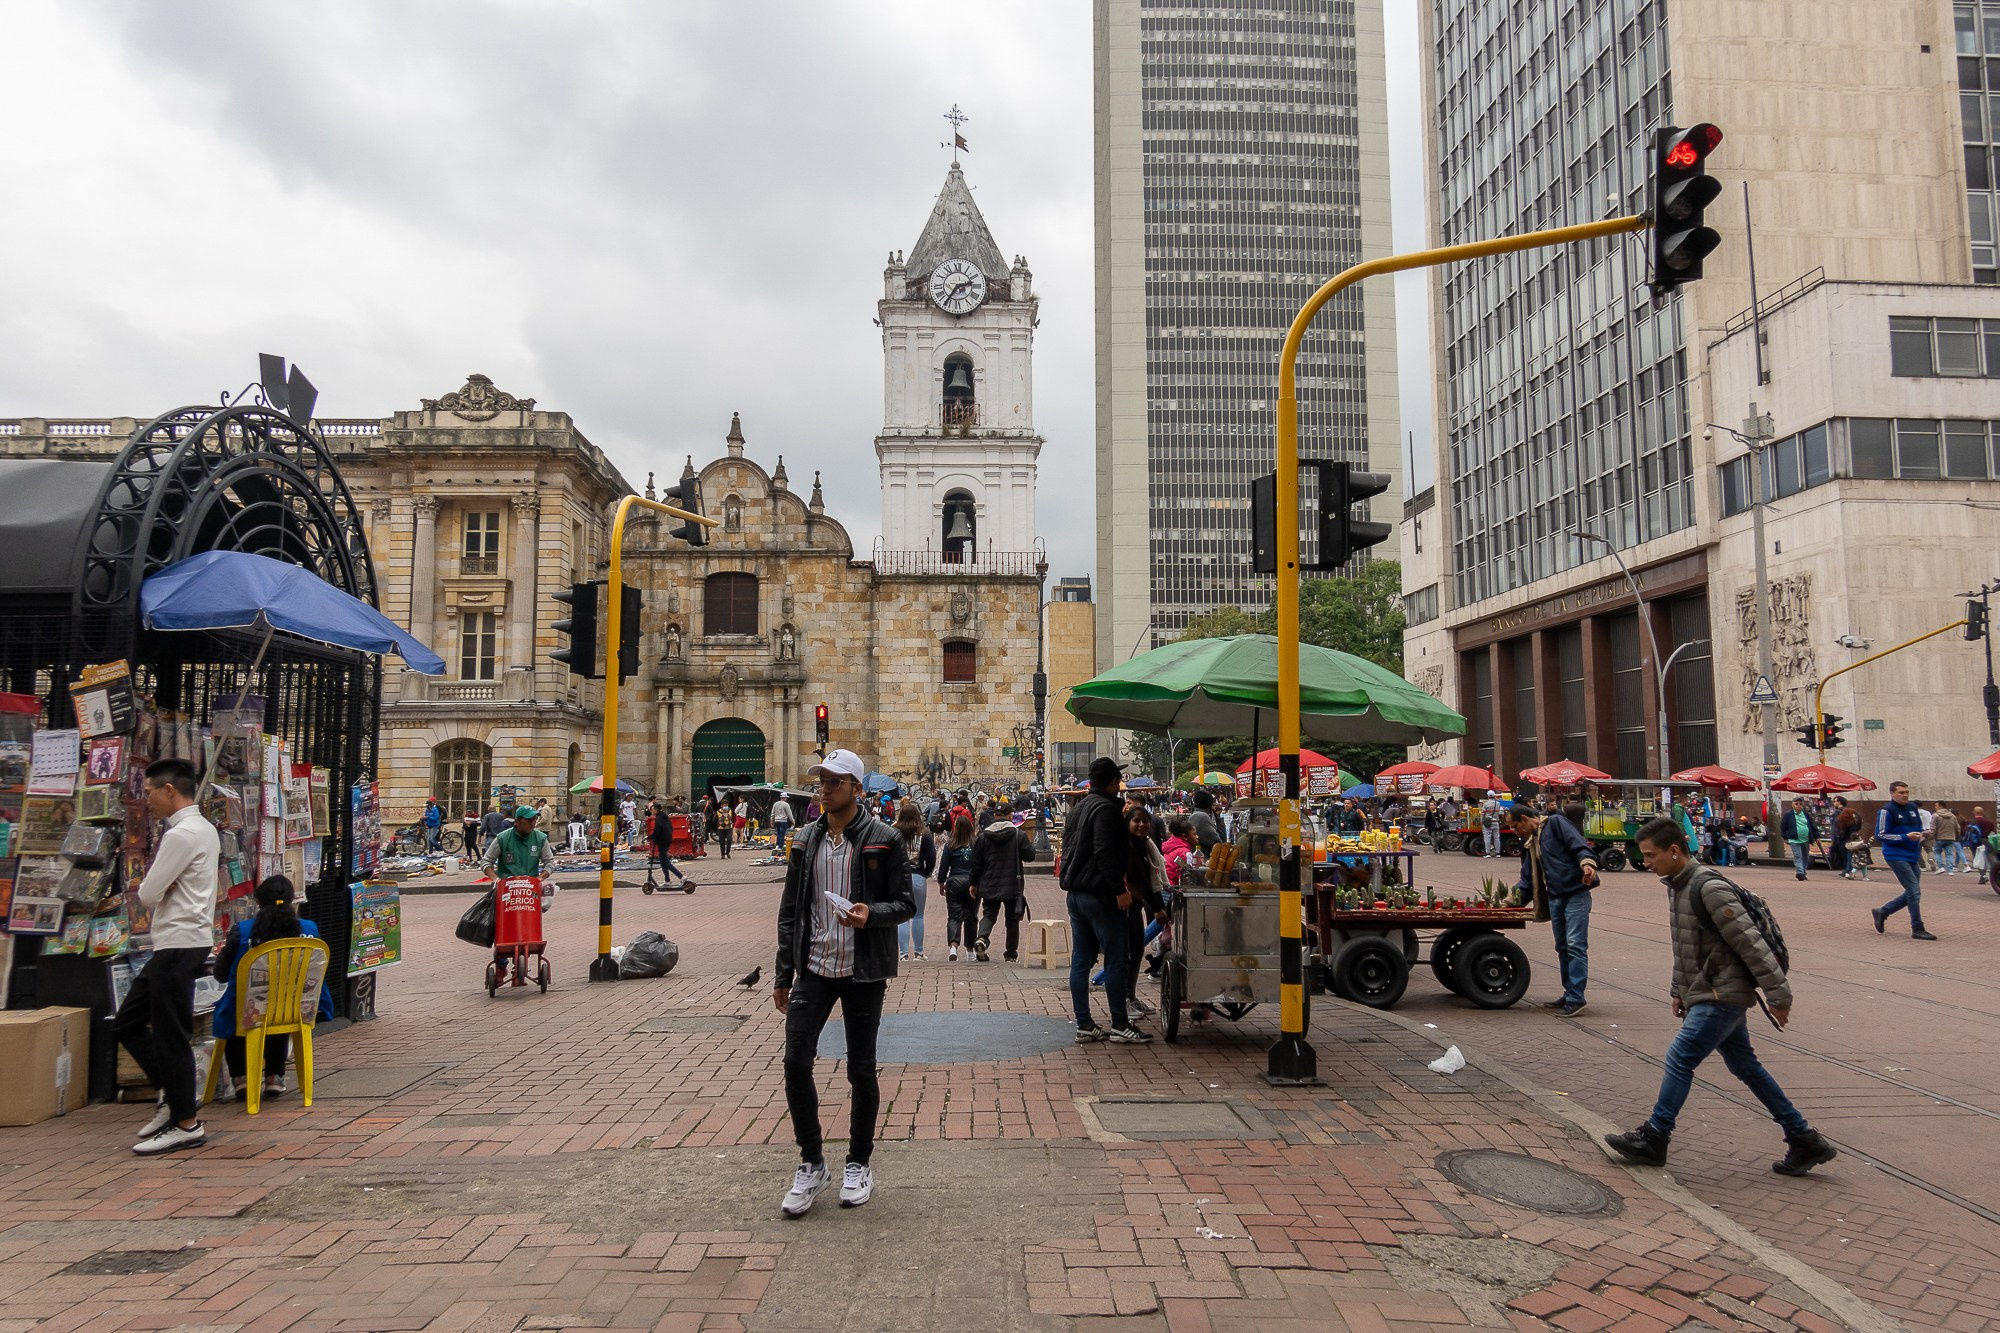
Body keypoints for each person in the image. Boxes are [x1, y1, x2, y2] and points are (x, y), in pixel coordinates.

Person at [1604, 817, 1838, 1177]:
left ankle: (1655, 1137)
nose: (1646, 862)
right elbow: (1686, 947)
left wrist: (1778, 995)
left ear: (1675, 851)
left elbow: (1751, 944)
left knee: (1680, 1057)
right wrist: (1679, 990)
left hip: (1722, 993)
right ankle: (1803, 1137)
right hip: (1707, 990)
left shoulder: (1707, 888)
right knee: (1745, 1066)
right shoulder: (1676, 884)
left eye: (1651, 855)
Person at [773, 748, 914, 1218]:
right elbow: (791, 909)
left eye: (835, 781)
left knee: (860, 1068)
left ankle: (859, 1162)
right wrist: (782, 973)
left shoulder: (884, 838)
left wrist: (870, 913)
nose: (825, 788)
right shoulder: (805, 839)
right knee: (795, 1060)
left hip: (862, 969)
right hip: (813, 966)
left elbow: (905, 904)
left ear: (856, 788)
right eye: (822, 781)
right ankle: (812, 1162)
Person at [114, 758, 220, 1155]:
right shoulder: (204, 829)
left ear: (169, 790)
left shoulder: (182, 835)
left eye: (150, 792)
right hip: (180, 942)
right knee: (127, 1022)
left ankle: (187, 1123)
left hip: (179, 943)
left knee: (171, 1035)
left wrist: (149, 882)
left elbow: (147, 893)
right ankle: (172, 1097)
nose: (148, 801)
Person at [211, 876, 334, 1103]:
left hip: (247, 1013)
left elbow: (221, 974)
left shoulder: (243, 931)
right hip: (298, 1010)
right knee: (280, 1007)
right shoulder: (310, 929)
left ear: (258, 902)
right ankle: (275, 1077)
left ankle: (241, 1078)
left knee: (238, 1015)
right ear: (291, 900)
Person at [1060, 758, 1149, 1044]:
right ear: (1112, 782)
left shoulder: (1078, 808)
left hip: (1076, 893)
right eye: (1118, 781)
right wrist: (1118, 889)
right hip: (1100, 894)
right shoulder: (1107, 809)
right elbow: (1103, 851)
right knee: (1117, 958)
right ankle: (1120, 1023)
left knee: (1082, 960)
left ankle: (1084, 1024)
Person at [1507, 805, 1599, 1016]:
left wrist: (1587, 864)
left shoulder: (1555, 824)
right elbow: (1528, 880)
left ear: (1524, 819)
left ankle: (1577, 998)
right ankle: (1570, 993)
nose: (1515, 832)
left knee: (1575, 945)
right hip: (1555, 898)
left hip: (1575, 893)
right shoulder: (1531, 843)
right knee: (1563, 947)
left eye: (1515, 827)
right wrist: (1509, 900)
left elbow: (1578, 844)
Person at [969, 798, 1036, 962]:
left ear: (995, 816)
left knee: (989, 914)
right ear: (1010, 816)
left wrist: (973, 883)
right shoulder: (1017, 835)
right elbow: (1030, 855)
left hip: (989, 881)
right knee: (1012, 920)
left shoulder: (984, 836)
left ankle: (982, 938)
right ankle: (1011, 954)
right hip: (1012, 884)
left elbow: (976, 863)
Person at [1871, 781, 1936, 940]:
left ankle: (1883, 911)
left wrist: (1924, 834)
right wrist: (1904, 837)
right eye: (1901, 792)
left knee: (1912, 892)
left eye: (1907, 792)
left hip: (1912, 854)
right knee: (1914, 891)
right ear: (1892, 793)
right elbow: (1881, 835)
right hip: (1895, 855)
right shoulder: (1886, 811)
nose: (1905, 795)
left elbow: (1918, 829)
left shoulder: (1913, 808)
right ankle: (1917, 927)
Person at [894, 801, 936, 961]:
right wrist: (926, 872)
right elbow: (931, 857)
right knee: (918, 915)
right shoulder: (924, 833)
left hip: (900, 876)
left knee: (902, 916)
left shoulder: (894, 831)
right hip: (918, 875)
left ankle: (903, 954)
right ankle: (918, 952)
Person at [937, 815, 980, 961]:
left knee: (954, 915)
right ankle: (970, 950)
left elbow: (943, 867)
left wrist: (941, 883)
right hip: (972, 882)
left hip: (954, 881)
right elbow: (981, 864)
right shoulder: (976, 844)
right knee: (972, 916)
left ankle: (953, 946)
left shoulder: (950, 845)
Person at [646, 799, 689, 890]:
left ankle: (681, 876)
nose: (652, 810)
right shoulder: (664, 817)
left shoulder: (659, 818)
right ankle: (667, 881)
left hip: (662, 841)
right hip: (665, 840)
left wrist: (651, 836)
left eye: (653, 809)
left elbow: (658, 830)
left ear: (657, 809)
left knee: (665, 862)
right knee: (663, 862)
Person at [1780, 799, 1815, 881]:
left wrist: (1816, 837)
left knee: (1805, 856)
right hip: (1794, 840)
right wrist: (1785, 838)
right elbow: (1783, 827)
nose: (1798, 805)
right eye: (1796, 804)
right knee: (1798, 856)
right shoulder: (1788, 815)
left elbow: (1812, 826)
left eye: (1800, 804)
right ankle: (1800, 873)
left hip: (1805, 839)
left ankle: (1803, 872)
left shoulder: (1806, 815)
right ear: (1792, 805)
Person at [1833, 797, 1861, 878]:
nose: (1833, 803)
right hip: (1848, 836)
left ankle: (1848, 870)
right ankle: (1847, 870)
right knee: (1848, 854)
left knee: (1848, 854)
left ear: (1839, 802)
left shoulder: (1842, 813)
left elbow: (1839, 827)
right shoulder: (1852, 813)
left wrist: (1839, 835)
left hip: (1844, 837)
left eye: (1834, 801)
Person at [1188, 789, 1223, 855]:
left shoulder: (1193, 816)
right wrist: (1218, 818)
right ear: (1210, 805)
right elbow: (1219, 843)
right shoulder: (1202, 817)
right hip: (1204, 858)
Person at [1934, 803, 1963, 875]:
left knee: (1937, 852)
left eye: (1936, 806)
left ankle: (1941, 867)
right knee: (1949, 854)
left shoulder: (1935, 815)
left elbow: (1933, 827)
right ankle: (1950, 870)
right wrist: (1957, 836)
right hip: (1951, 837)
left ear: (1941, 806)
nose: (1935, 807)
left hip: (1939, 837)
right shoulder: (1952, 816)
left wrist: (1932, 836)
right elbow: (1958, 828)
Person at [716, 794, 736, 859]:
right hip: (721, 828)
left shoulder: (730, 811)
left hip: (729, 827)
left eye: (727, 805)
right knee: (722, 841)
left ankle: (728, 852)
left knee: (729, 839)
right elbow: (715, 820)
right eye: (724, 805)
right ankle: (722, 854)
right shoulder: (718, 812)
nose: (726, 807)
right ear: (721, 805)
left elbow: (732, 818)